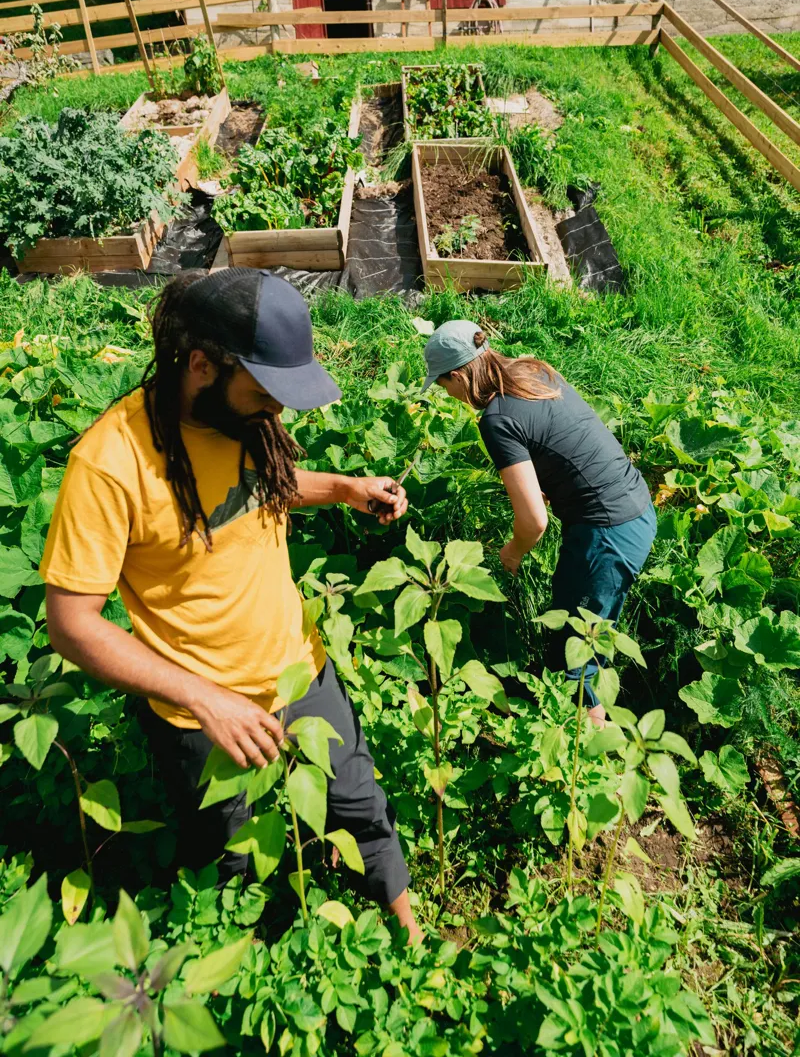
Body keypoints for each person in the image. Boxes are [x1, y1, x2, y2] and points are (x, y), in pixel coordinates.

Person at [42, 269, 418, 938]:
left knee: (360, 807)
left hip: (299, 670)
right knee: (236, 860)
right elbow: (71, 624)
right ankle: (263, 970)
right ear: (201, 365)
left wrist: (343, 487)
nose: (277, 412)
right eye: (265, 393)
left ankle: (412, 943)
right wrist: (205, 699)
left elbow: (257, 486)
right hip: (202, 713)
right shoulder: (111, 463)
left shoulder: (241, 420)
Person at [422, 320, 656, 726]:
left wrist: (512, 553)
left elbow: (534, 520)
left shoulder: (496, 419)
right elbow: (563, 438)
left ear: (458, 376)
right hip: (635, 506)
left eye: (443, 385)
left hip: (607, 534)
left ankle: (592, 752)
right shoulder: (532, 371)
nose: (448, 394)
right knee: (577, 632)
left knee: (577, 659)